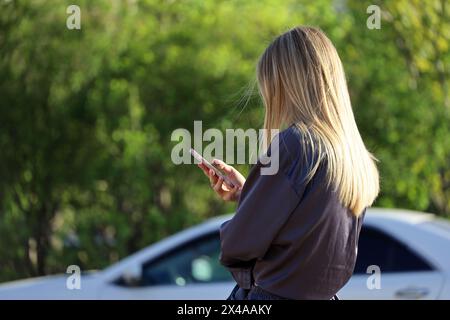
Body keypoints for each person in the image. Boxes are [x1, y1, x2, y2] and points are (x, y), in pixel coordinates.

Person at [197, 26, 380, 300]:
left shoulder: (294, 145)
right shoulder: (352, 157)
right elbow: (306, 227)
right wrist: (251, 193)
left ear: (285, 84)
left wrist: (251, 207)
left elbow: (238, 244)